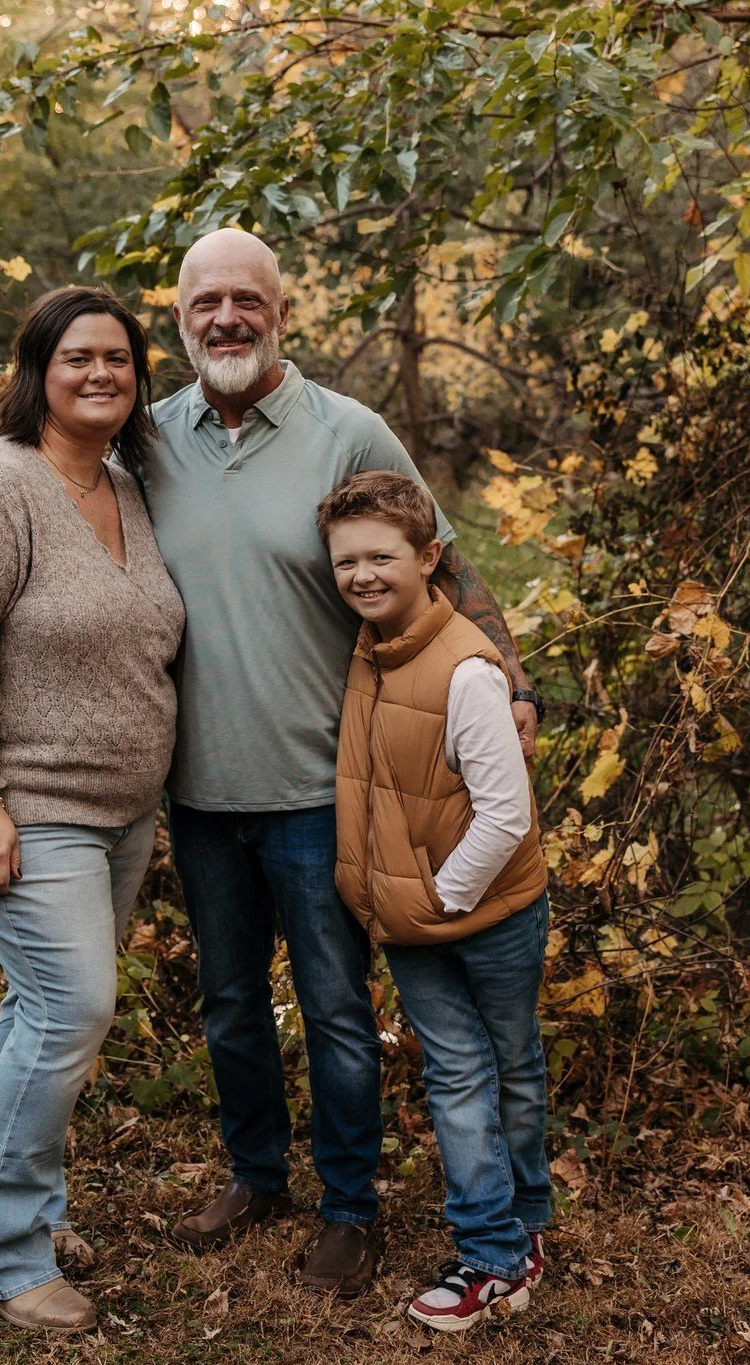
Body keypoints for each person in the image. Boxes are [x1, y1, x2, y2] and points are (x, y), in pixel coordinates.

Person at [145, 228, 543, 1297]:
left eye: (245, 300)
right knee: (228, 1003)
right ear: (178, 318)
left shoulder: (345, 431)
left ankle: (349, 1208)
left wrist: (509, 682)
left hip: (327, 789)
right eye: (203, 304)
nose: (224, 319)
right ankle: (253, 1176)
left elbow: (442, 565)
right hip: (198, 790)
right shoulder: (147, 440)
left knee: (333, 1010)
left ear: (282, 314)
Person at [0, 286, 187, 1333]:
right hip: (18, 806)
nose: (100, 374)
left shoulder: (128, 487)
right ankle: (3, 1258)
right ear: (37, 372)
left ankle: (24, 1213)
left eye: (118, 358)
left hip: (119, 811)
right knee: (72, 1009)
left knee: (44, 1013)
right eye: (78, 358)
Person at [319, 470, 552, 1332]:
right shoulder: (369, 649)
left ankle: (517, 1235)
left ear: (430, 559)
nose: (363, 575)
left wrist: (437, 896)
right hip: (416, 921)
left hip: (487, 913)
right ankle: (495, 1246)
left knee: (514, 1068)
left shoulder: (466, 672)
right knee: (460, 1076)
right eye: (347, 561)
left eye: (381, 556)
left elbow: (506, 813)